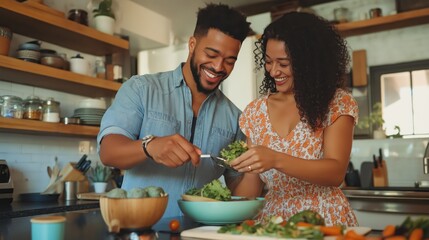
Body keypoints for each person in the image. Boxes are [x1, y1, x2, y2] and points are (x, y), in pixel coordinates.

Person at [97, 3, 251, 217]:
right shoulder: (141, 89)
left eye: (229, 61)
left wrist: (258, 156)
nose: (218, 67)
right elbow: (108, 152)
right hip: (141, 228)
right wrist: (148, 147)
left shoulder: (236, 119)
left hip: (202, 232)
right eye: (211, 54)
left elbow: (241, 194)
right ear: (192, 44)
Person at [231, 12, 359, 226]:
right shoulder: (255, 112)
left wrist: (275, 159)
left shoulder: (337, 102)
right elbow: (251, 188)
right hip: (274, 223)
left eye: (283, 63)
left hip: (324, 221)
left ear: (309, 62)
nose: (273, 71)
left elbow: (335, 171)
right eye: (269, 61)